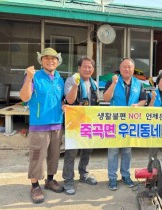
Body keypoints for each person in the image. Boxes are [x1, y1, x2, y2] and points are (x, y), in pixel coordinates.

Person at [20, 48, 64, 204]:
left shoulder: (60, 79)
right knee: (37, 157)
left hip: (57, 124)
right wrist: (28, 78)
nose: (50, 61)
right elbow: (25, 97)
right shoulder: (33, 76)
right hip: (39, 124)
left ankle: (50, 180)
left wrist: (64, 106)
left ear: (57, 62)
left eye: (53, 59)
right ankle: (35, 186)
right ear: (41, 60)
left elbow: (61, 99)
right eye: (47, 58)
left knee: (54, 155)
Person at [103, 58, 146, 191]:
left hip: (130, 122)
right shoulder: (112, 81)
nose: (127, 69)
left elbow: (143, 100)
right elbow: (106, 98)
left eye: (130, 67)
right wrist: (114, 84)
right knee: (113, 151)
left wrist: (137, 105)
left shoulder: (139, 83)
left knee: (127, 151)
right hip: (115, 121)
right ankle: (112, 177)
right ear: (120, 69)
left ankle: (126, 175)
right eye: (124, 67)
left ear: (133, 69)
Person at [62, 56, 99, 195]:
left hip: (88, 122)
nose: (87, 69)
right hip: (74, 122)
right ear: (79, 68)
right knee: (71, 152)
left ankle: (83, 174)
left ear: (93, 69)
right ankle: (68, 180)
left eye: (90, 67)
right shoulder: (71, 80)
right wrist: (76, 85)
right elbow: (70, 100)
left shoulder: (94, 83)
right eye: (85, 66)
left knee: (87, 150)